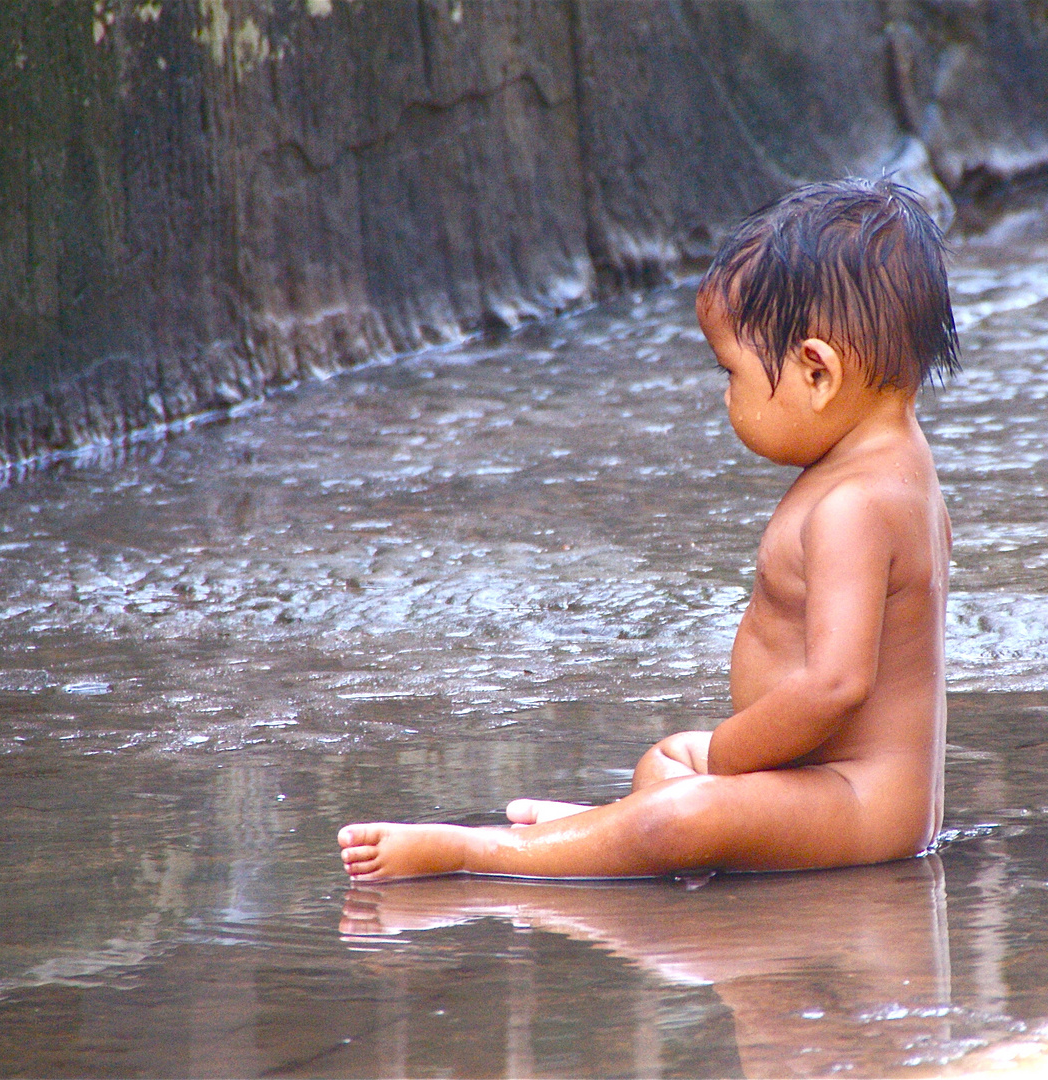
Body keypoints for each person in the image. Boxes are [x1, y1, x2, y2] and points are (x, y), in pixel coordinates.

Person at [338, 177, 959, 882]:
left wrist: (726, 763)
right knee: (664, 763)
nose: (724, 394)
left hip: (857, 802)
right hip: (829, 779)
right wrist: (713, 763)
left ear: (815, 372)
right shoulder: (898, 466)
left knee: (681, 813)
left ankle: (476, 852)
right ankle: (601, 833)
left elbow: (835, 685)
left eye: (730, 372)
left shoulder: (854, 506)